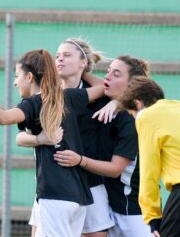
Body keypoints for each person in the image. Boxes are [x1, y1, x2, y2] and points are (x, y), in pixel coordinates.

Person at [0, 49, 104, 237]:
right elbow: (103, 86)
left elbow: (4, 117)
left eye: (17, 76)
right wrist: (40, 139)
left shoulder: (33, 103)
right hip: (78, 197)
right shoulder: (69, 96)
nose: (15, 82)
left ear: (29, 77)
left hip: (55, 195)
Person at [16, 38, 114, 237]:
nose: (59, 59)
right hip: (55, 186)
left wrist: (115, 103)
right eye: (57, 56)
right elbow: (21, 137)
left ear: (83, 63)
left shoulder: (94, 97)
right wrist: (39, 139)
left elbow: (111, 88)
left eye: (67, 55)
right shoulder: (44, 97)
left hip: (90, 182)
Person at [54, 55, 151, 237]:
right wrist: (80, 64)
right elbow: (101, 84)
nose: (107, 77)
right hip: (110, 203)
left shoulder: (133, 119)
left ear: (132, 84)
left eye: (116, 74)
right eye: (107, 72)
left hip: (134, 209)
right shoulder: (105, 104)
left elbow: (115, 169)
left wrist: (80, 160)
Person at [119, 76, 180, 237]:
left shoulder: (147, 115)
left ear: (138, 103)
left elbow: (149, 171)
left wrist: (153, 217)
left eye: (132, 114)